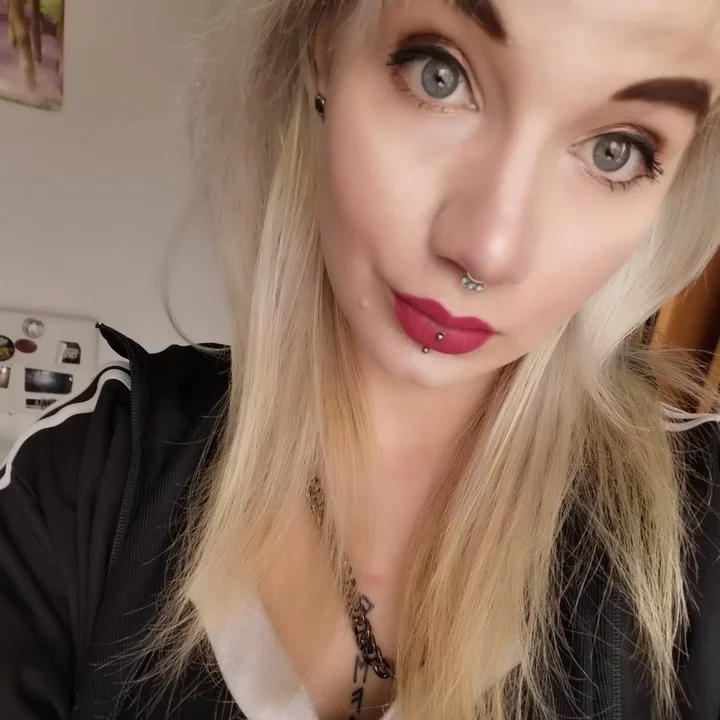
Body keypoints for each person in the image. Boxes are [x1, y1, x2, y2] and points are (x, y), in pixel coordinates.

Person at [1, 0, 720, 718]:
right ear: (324, 43)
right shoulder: (74, 489)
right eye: (440, 75)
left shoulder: (703, 528)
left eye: (616, 150)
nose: (488, 251)